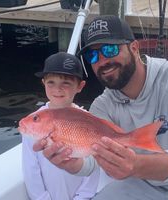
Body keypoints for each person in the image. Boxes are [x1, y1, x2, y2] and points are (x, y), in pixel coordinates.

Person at [33, 15, 168, 200]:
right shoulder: (103, 105)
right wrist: (71, 163)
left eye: (109, 50)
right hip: (145, 184)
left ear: (135, 48)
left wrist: (135, 166)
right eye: (93, 56)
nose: (102, 61)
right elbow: (92, 160)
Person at [22, 52, 100, 200]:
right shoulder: (33, 122)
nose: (57, 89)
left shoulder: (87, 120)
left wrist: (82, 197)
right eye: (51, 82)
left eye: (66, 83)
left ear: (80, 86)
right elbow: (31, 170)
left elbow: (93, 166)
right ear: (43, 82)